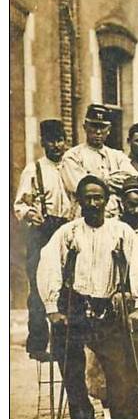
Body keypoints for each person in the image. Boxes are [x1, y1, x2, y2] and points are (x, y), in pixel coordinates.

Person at [38, 175, 138, 419]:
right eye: (87, 198)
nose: (93, 203)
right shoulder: (67, 233)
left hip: (107, 308)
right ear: (79, 201)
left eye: (98, 197)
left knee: (120, 370)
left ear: (106, 200)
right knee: (72, 370)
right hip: (75, 306)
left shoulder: (121, 231)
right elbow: (48, 263)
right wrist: (52, 308)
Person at [14, 119, 74, 360]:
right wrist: (31, 213)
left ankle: (67, 342)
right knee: (39, 286)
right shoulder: (35, 169)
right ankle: (38, 344)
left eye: (60, 140)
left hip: (68, 229)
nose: (56, 145)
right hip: (43, 232)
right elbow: (19, 204)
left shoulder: (72, 166)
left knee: (68, 285)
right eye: (51, 141)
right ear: (43, 143)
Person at [59, 105, 136, 217]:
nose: (98, 132)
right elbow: (83, 189)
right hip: (84, 217)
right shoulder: (73, 156)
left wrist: (99, 181)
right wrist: (114, 181)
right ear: (85, 127)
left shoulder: (117, 156)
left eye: (102, 127)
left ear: (109, 130)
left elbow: (133, 181)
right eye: (94, 126)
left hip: (115, 218)